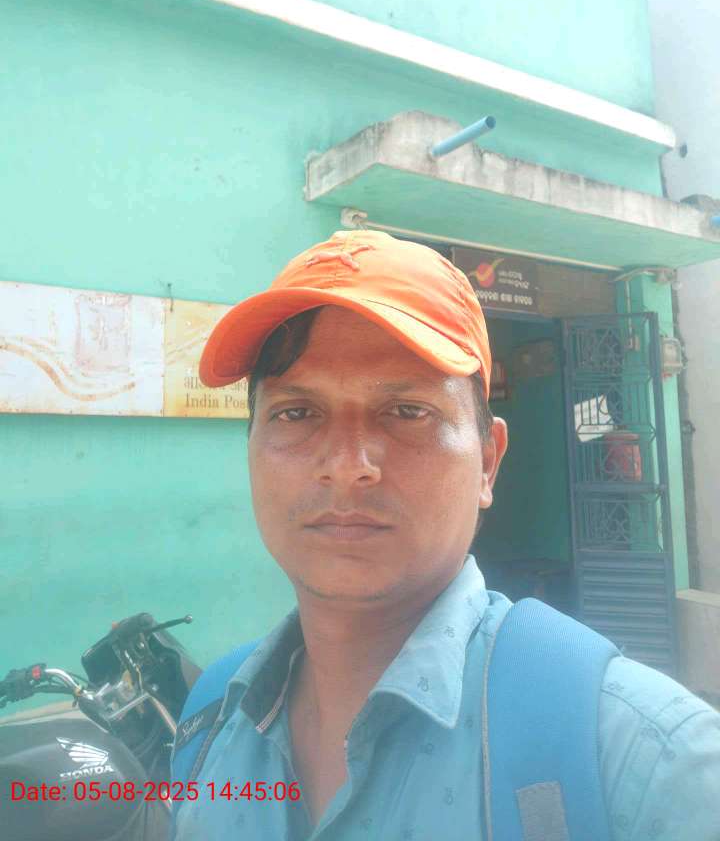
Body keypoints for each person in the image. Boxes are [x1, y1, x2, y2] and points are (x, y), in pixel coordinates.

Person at [171, 230, 720, 841]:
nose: (347, 465)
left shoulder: (651, 764)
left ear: (487, 462)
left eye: (407, 411)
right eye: (296, 412)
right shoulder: (209, 724)